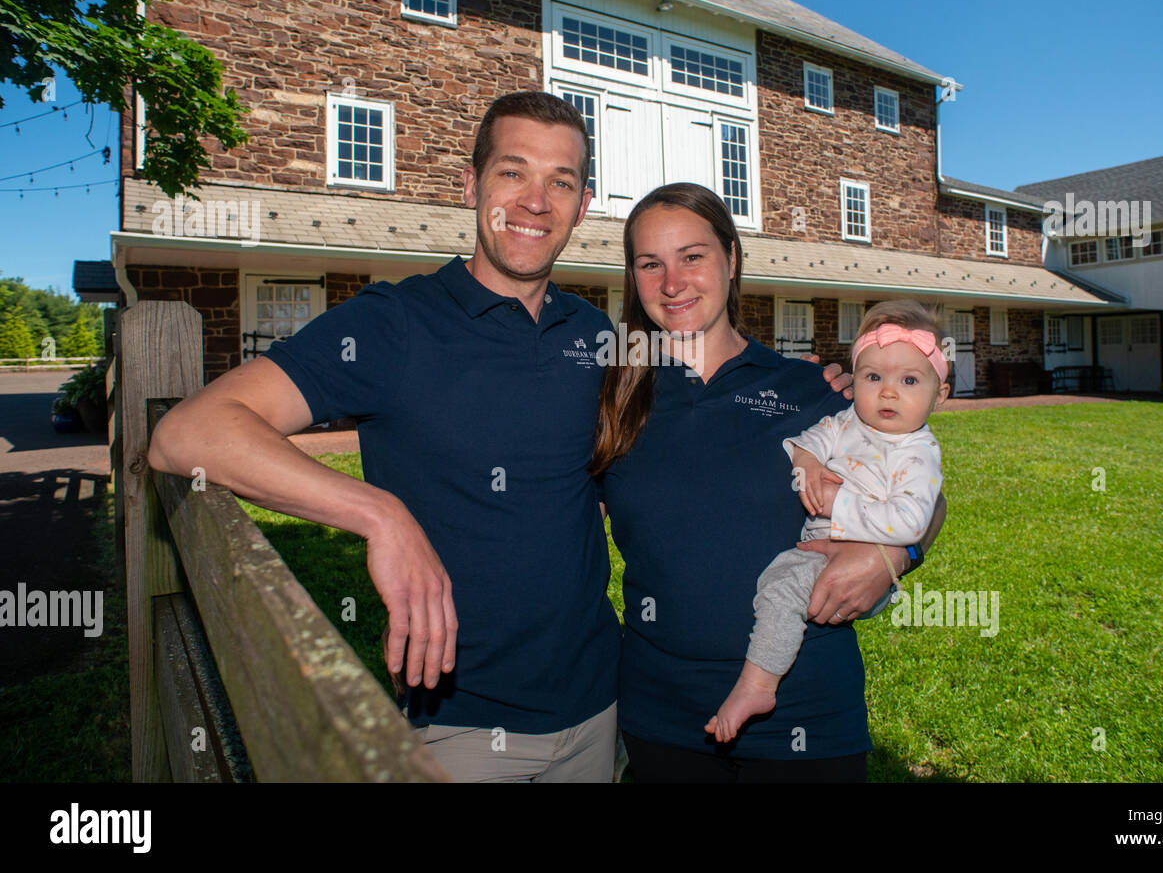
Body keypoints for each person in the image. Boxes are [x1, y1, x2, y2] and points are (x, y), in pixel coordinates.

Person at [147, 92, 628, 782]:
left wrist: (823, 412)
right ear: (471, 185)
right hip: (458, 723)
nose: (535, 201)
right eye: (512, 172)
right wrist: (379, 513)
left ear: (582, 206)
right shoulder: (392, 323)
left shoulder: (595, 335)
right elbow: (189, 434)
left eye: (561, 182)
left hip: (597, 707)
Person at [591, 183, 946, 783]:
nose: (673, 281)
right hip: (661, 713)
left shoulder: (813, 390)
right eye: (651, 263)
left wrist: (895, 554)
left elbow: (926, 495)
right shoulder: (612, 399)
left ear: (731, 258)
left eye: (693, 256)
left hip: (806, 708)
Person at [706, 300, 949, 744]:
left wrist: (839, 503)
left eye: (909, 380)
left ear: (940, 394)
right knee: (777, 587)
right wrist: (807, 458)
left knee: (781, 588)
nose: (888, 392)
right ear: (853, 383)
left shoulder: (917, 453)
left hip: (852, 569)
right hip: (821, 554)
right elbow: (811, 438)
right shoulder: (847, 421)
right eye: (873, 377)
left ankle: (758, 686)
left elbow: (913, 523)